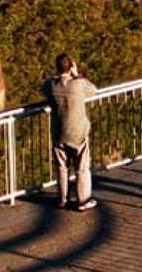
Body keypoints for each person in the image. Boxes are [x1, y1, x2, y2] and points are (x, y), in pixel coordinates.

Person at [47, 55, 98, 211]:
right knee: (81, 167)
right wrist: (77, 75)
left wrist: (57, 76)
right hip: (78, 132)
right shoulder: (78, 84)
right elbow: (93, 90)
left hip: (59, 132)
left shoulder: (52, 86)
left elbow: (44, 88)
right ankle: (83, 200)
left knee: (61, 167)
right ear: (71, 67)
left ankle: (62, 199)